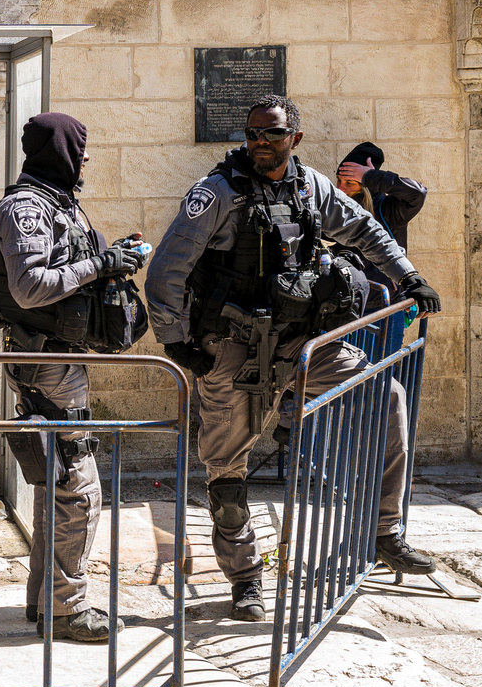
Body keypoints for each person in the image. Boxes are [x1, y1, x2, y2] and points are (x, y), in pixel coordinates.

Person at [145, 95, 443, 622]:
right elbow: (168, 266)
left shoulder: (312, 188)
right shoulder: (216, 192)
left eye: (273, 135)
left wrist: (408, 276)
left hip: (304, 346)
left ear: (295, 139)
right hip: (233, 349)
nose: (261, 142)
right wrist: (176, 342)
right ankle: (243, 580)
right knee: (228, 474)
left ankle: (383, 532)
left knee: (386, 396)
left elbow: (366, 231)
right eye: (254, 133)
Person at [0, 113, 140, 643]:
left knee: (58, 484)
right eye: (82, 146)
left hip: (55, 357)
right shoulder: (27, 208)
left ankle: (45, 600)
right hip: (46, 362)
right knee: (78, 487)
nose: (88, 157)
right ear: (60, 149)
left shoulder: (54, 201)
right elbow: (30, 287)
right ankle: (68, 610)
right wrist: (101, 265)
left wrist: (112, 260)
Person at [334, 141, 427, 299]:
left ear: (366, 185)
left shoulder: (389, 209)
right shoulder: (336, 208)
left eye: (349, 182)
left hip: (384, 303)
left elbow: (418, 193)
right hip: (346, 303)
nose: (341, 188)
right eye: (339, 180)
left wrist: (371, 176)